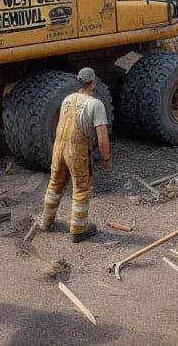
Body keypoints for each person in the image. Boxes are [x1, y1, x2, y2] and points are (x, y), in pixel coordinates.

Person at [37, 67, 111, 243]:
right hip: (76, 151)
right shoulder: (95, 104)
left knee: (55, 184)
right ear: (93, 82)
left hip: (58, 147)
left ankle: (46, 221)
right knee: (81, 188)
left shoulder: (67, 99)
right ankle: (78, 229)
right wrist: (107, 159)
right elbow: (103, 139)